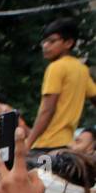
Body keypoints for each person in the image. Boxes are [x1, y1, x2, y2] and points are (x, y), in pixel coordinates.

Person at [24, 19, 96, 153]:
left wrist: (28, 143)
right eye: (44, 42)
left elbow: (47, 110)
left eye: (52, 41)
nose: (45, 46)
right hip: (68, 145)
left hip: (46, 145)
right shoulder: (81, 69)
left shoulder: (56, 67)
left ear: (68, 43)